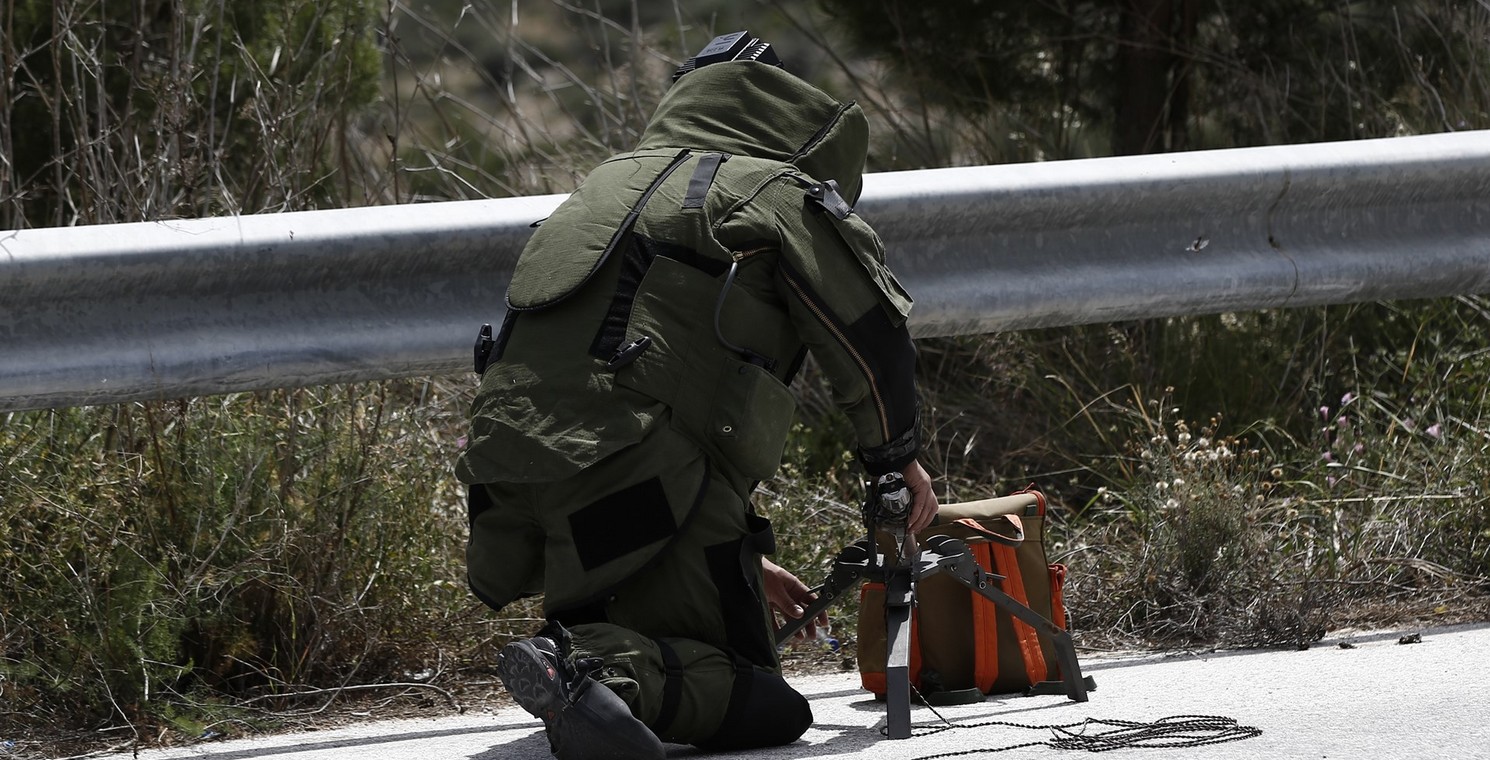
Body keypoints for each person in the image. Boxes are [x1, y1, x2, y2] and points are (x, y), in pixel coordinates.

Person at [455, 31, 938, 760]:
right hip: (630, 484)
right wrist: (896, 459)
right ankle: (596, 670)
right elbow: (868, 336)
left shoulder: (606, 185)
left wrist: (746, 558)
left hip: (515, 492)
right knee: (764, 703)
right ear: (789, 113)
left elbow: (651, 380)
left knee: (657, 624)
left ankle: (587, 659)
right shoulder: (774, 195)